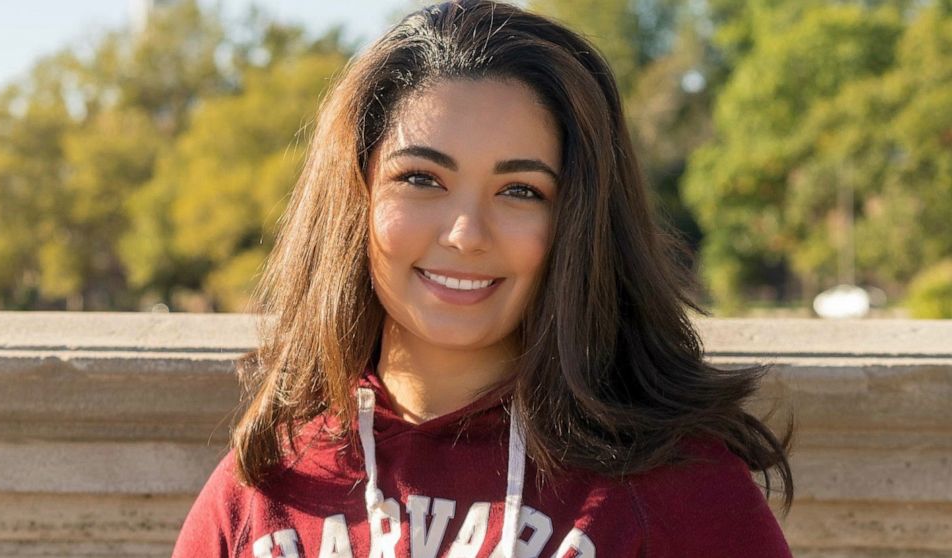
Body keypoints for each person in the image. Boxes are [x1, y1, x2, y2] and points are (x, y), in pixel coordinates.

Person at [173, 1, 794, 556]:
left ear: (577, 225)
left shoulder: (678, 490)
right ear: (354, 198)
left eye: (521, 190)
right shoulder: (263, 490)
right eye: (421, 178)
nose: (467, 233)